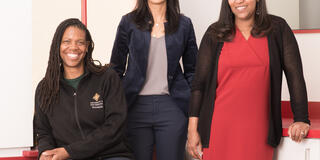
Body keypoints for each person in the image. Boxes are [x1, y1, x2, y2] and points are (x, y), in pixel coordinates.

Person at [186, 0, 310, 160]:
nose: (239, 1)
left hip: (259, 132)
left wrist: (301, 118)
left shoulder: (277, 28)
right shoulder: (214, 33)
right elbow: (199, 84)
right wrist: (192, 129)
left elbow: (295, 75)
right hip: (219, 130)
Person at [34, 18, 133, 160]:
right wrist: (46, 154)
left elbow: (114, 127)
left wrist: (70, 151)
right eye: (66, 41)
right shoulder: (45, 88)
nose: (73, 47)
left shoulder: (107, 78)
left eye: (80, 42)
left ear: (87, 47)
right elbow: (44, 133)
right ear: (58, 45)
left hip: (111, 155)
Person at [110, 0, 198, 159]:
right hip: (135, 107)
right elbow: (115, 69)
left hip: (172, 106)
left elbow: (193, 71)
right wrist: (117, 107)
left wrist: (193, 108)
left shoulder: (184, 24)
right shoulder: (128, 22)